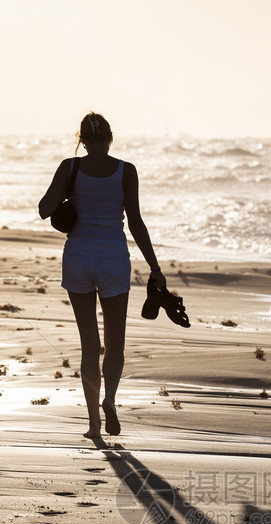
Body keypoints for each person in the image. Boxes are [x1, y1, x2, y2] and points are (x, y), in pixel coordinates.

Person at [38, 112, 166, 440]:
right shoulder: (126, 171)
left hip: (79, 257)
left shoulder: (71, 167)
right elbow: (135, 222)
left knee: (89, 345)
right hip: (113, 258)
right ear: (110, 137)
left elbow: (44, 208)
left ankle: (94, 423)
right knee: (115, 344)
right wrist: (155, 267)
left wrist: (68, 192)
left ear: (81, 139)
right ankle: (110, 400)